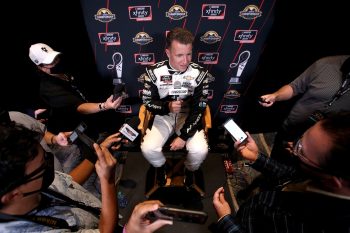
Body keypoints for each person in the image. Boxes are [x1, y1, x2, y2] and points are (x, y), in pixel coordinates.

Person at [212, 112, 350, 233]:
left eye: (300, 149)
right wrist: (256, 157)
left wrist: (226, 222)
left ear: (332, 181)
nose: (290, 144)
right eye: (300, 138)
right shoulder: (321, 176)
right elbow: (293, 175)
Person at [0, 121, 119, 232]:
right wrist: (107, 180)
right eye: (42, 166)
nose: (48, 164)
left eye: (45, 157)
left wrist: (97, 156)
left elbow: (66, 184)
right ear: (13, 195)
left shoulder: (33, 185)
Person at [140, 27, 209, 187]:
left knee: (200, 150)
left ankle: (189, 170)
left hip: (188, 115)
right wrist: (167, 107)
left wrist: (184, 136)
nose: (185, 61)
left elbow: (200, 108)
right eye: (179, 55)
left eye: (189, 54)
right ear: (168, 53)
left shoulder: (200, 74)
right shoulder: (153, 72)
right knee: (148, 148)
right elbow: (148, 103)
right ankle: (161, 167)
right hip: (163, 116)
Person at [259, 55, 350, 163]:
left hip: (321, 147)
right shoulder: (327, 63)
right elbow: (294, 87)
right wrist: (275, 96)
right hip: (291, 130)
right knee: (275, 163)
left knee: (299, 176)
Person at [28, 42, 123, 137]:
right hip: (75, 132)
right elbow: (79, 107)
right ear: (39, 65)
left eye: (55, 58)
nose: (56, 62)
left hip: (93, 121)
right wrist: (104, 106)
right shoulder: (48, 88)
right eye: (51, 62)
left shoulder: (64, 69)